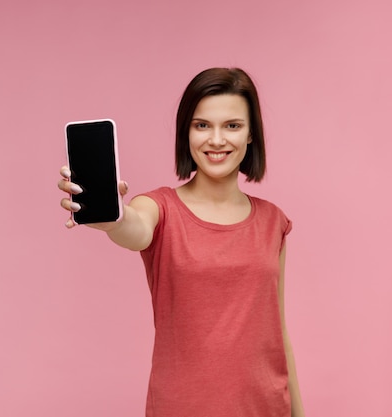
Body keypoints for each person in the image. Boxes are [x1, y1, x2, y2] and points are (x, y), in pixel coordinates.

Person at [58, 67, 305, 417]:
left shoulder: (273, 221)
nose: (217, 140)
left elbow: (278, 332)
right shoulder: (159, 207)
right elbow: (134, 228)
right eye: (202, 125)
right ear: (186, 132)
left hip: (266, 408)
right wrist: (112, 215)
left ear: (251, 135)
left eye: (232, 126)